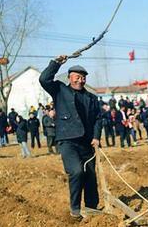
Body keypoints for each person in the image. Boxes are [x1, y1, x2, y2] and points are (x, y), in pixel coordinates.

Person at [39, 55, 101, 220]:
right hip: (67, 141)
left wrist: (96, 137)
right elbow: (44, 79)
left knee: (90, 175)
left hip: (87, 143)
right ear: (69, 78)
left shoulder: (92, 98)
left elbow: (97, 119)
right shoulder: (59, 90)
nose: (80, 80)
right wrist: (56, 63)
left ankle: (92, 208)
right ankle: (75, 208)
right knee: (76, 171)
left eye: (83, 77)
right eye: (77, 77)